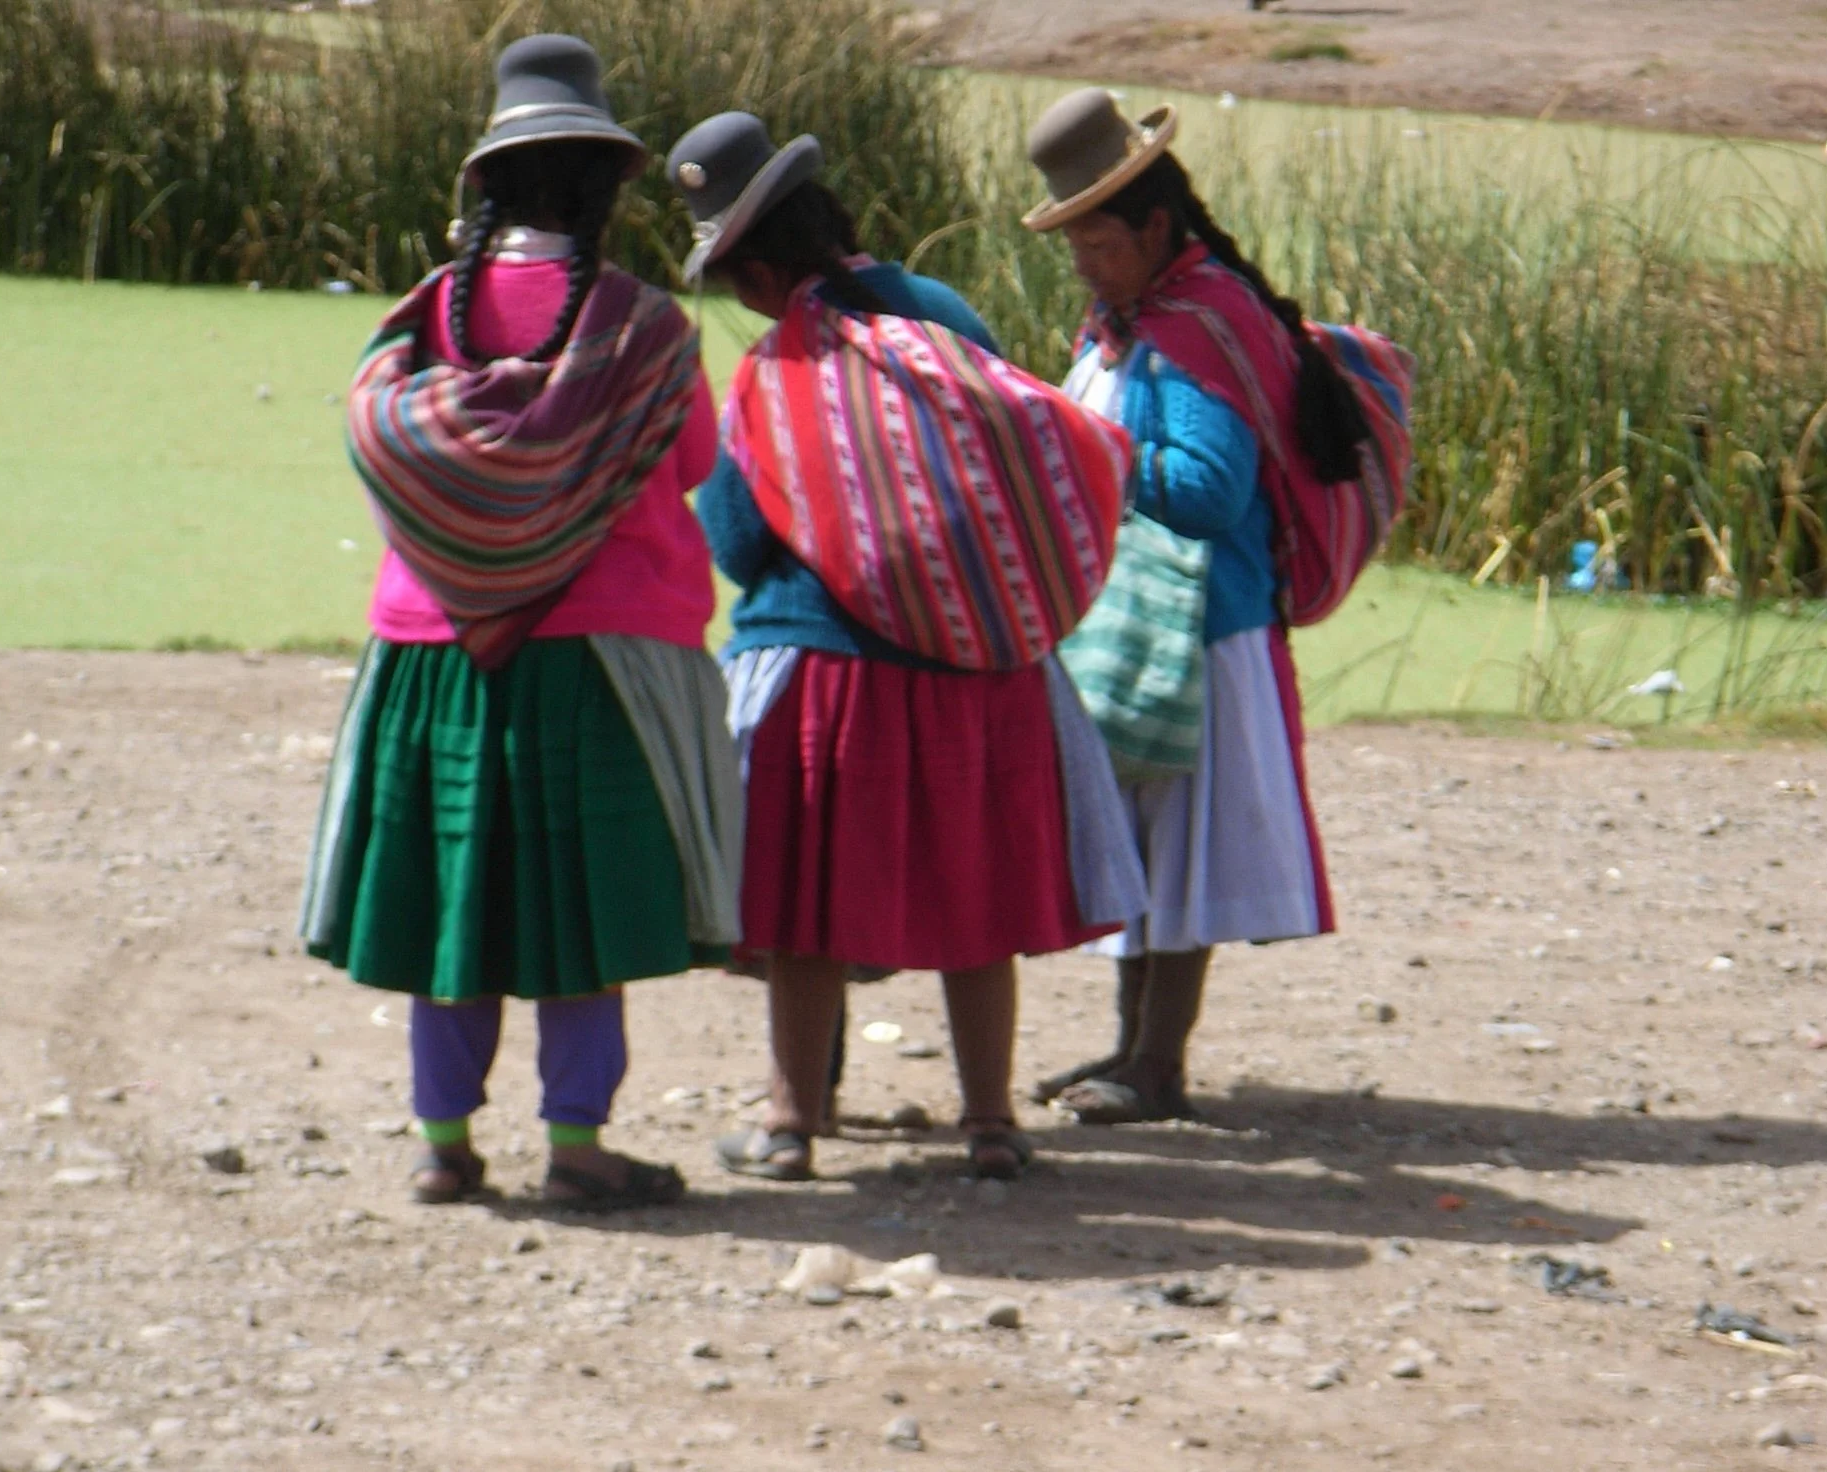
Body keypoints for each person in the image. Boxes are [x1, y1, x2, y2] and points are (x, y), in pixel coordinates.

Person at [300, 37, 742, 1208]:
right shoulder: (643, 328)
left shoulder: (414, 322)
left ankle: (441, 1142)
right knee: (578, 912)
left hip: (430, 649)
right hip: (599, 658)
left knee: (455, 897)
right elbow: (693, 459)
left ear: (487, 185)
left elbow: (375, 446)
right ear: (601, 188)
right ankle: (578, 1147)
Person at [667, 113, 1145, 1182]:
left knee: (802, 912)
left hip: (823, 669)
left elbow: (738, 539)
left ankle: (790, 1123)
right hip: (987, 666)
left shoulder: (774, 365)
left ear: (751, 266)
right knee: (975, 906)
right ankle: (989, 1123)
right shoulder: (943, 313)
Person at [1021, 89, 1355, 1123]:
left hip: (1202, 629)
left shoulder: (1195, 327)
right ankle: (1129, 1051)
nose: (1079, 258)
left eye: (1094, 238)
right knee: (1141, 844)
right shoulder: (1140, 319)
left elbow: (1209, 492)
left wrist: (1085, 449)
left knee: (1176, 847)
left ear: (1153, 227)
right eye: (1070, 238)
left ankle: (1156, 1065)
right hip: (1143, 629)